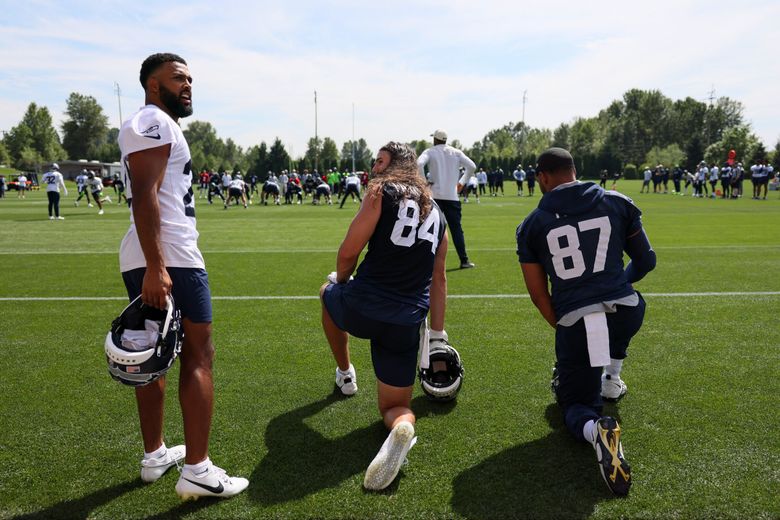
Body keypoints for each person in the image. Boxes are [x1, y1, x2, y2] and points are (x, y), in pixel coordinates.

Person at [117, 52, 248, 500]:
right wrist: (157, 267)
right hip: (171, 255)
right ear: (154, 85)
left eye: (191, 78)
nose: (188, 85)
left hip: (157, 253)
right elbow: (144, 195)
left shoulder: (155, 122)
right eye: (179, 78)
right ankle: (197, 468)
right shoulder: (153, 120)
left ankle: (155, 455)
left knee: (152, 353)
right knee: (198, 354)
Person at [516, 147, 656, 496]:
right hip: (627, 307)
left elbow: (538, 294)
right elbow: (647, 260)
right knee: (615, 327)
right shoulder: (616, 201)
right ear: (575, 170)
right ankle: (612, 378)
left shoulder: (532, 225)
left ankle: (598, 429)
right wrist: (618, 285)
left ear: (543, 178)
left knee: (575, 404)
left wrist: (564, 326)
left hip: (580, 319)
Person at [320, 141, 448, 491]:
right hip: (407, 321)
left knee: (326, 293)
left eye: (379, 161)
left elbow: (349, 251)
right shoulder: (437, 211)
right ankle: (402, 426)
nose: (374, 167)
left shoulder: (380, 191)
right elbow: (439, 279)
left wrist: (340, 282)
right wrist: (436, 334)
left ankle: (346, 374)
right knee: (395, 406)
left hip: (362, 306)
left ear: (396, 165)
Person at [417, 129, 476, 269]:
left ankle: (425, 261)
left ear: (435, 140)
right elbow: (472, 166)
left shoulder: (430, 151)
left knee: (429, 229)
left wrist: (424, 183)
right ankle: (464, 260)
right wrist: (461, 182)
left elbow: (419, 164)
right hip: (452, 196)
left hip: (434, 197)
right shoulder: (456, 152)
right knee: (456, 230)